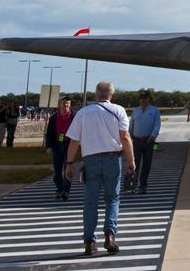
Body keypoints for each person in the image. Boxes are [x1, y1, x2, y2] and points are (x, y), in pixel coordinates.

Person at [64, 81, 135, 256]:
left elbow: (74, 140)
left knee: (90, 202)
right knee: (112, 198)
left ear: (96, 95)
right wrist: (131, 160)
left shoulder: (83, 113)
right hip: (113, 159)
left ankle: (89, 242)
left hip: (91, 161)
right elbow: (125, 137)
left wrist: (69, 163)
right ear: (111, 94)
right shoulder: (119, 110)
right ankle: (110, 235)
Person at [128, 91, 161, 195]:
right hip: (137, 141)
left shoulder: (154, 110)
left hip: (148, 141)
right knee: (134, 164)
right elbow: (131, 124)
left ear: (149, 99)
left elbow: (157, 124)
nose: (143, 100)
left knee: (146, 164)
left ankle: (143, 186)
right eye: (141, 98)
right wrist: (129, 137)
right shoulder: (135, 110)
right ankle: (132, 186)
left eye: (145, 98)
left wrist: (153, 135)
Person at [46, 97, 75, 200]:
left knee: (68, 168)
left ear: (70, 105)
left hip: (69, 144)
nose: (65, 105)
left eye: (67, 103)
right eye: (63, 103)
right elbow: (49, 133)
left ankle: (66, 190)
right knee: (57, 170)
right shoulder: (54, 118)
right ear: (59, 105)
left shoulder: (74, 117)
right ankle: (59, 188)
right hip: (57, 144)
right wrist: (49, 146)